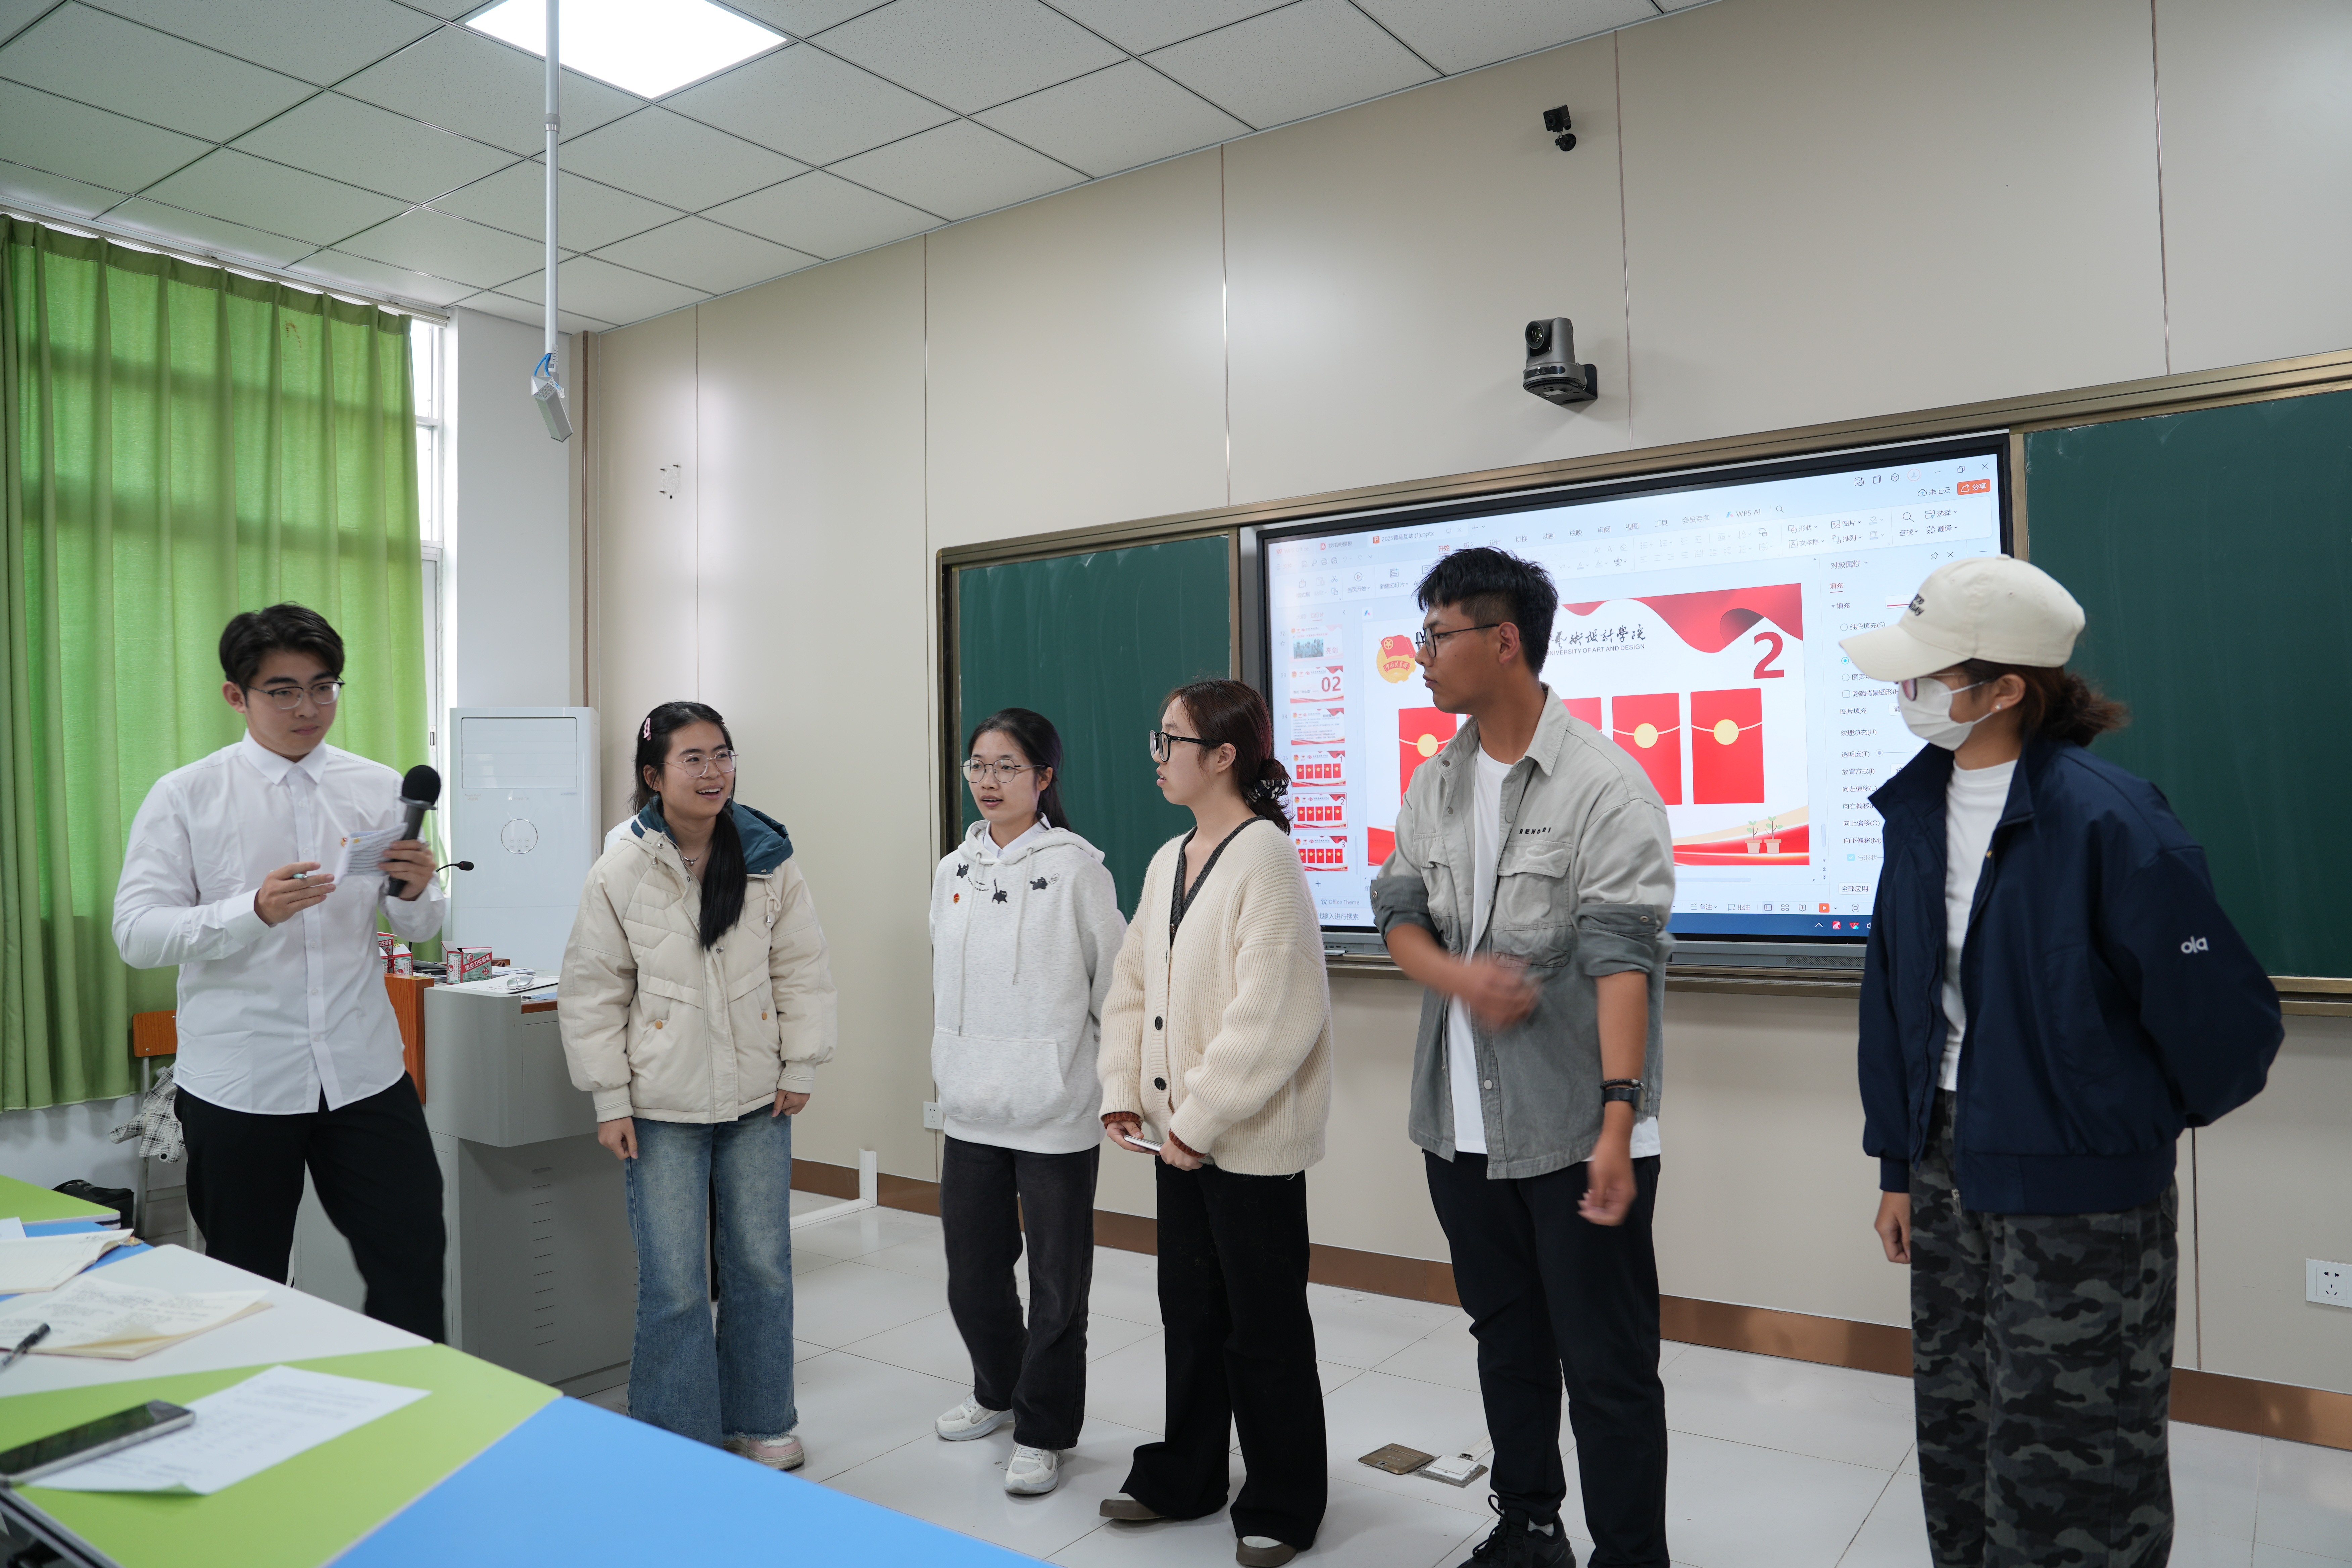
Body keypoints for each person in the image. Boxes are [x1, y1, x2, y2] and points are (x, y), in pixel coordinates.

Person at [1846, 556, 2280, 1568]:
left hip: (2082, 1187)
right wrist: (1898, 1165)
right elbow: (1897, 996)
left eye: (1926, 675)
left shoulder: (2110, 817)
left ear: (2005, 689)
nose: (1905, 690)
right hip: (1948, 1162)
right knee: (1960, 1425)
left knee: (2078, 1455)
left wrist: (2114, 1122)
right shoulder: (1917, 811)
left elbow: (2227, 1024)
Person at [1370, 547, 1675, 1568]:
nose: (1421, 655)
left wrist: (1619, 1123)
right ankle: (1530, 1526)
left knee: (1607, 1365)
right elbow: (1398, 910)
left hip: (1578, 1129)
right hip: (1459, 1129)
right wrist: (1458, 977)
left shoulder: (1604, 784)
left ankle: (1630, 1556)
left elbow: (1624, 961)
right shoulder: (1436, 780)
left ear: (1505, 641)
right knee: (1507, 1340)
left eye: (1437, 634)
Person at [113, 603, 448, 1338]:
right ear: (237, 696)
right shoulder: (187, 795)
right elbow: (136, 934)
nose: (308, 708)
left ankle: (413, 1402)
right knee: (247, 1278)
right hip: (243, 1080)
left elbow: (417, 927)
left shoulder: (376, 787)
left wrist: (417, 890)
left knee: (413, 1257)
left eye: (324, 687)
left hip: (364, 1072)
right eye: (284, 690)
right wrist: (252, 911)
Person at [559, 701, 838, 1469]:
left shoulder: (768, 856)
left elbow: (803, 966)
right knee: (676, 1281)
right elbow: (593, 992)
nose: (715, 771)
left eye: (724, 754)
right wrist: (610, 1098)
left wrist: (801, 1062)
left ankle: (761, 1418)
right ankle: (677, 1434)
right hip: (660, 1103)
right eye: (694, 758)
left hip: (758, 1098)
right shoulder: (620, 868)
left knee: (762, 1267)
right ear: (654, 776)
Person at [1096, 679, 1332, 1568]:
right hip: (1178, 1139)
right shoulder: (1170, 858)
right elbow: (1132, 982)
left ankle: (1283, 1501)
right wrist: (1122, 1087)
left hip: (1244, 1142)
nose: (1157, 756)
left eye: (1173, 740)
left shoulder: (1266, 856)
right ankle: (1185, 1476)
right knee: (1189, 1314)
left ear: (1224, 756)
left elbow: (1274, 1012)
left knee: (1263, 1328)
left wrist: (1197, 1119)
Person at [928, 707, 1128, 1497]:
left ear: (1044, 777)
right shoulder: (953, 869)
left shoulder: (1078, 869)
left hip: (1055, 1108)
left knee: (1056, 1286)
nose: (989, 780)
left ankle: (1044, 1428)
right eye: (978, 765)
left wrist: (1116, 1087)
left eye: (1007, 765)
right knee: (972, 1274)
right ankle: (997, 1390)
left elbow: (1116, 987)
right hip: (970, 1104)